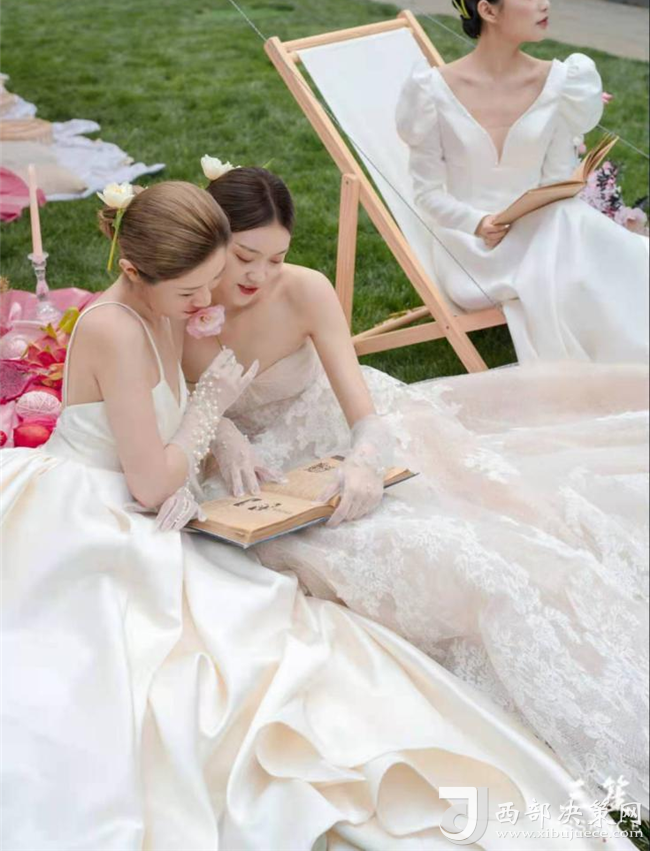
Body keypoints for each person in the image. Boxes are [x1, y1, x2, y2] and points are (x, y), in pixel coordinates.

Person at [3, 180, 626, 851]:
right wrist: (210, 411)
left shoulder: (164, 305)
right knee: (204, 657)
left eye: (220, 279)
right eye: (198, 288)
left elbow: (160, 434)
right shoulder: (119, 326)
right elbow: (153, 475)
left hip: (151, 482)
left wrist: (213, 427)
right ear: (135, 271)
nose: (207, 303)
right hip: (97, 505)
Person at [183, 164, 649, 808]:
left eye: (276, 257)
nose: (259, 274)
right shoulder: (178, 299)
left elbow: (364, 414)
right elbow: (162, 395)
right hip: (254, 472)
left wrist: (365, 462)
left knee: (499, 525)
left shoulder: (304, 291)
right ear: (210, 240)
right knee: (405, 559)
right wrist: (220, 430)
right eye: (244, 257)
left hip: (336, 435)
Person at [395, 0, 648, 364]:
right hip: (472, 250)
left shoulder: (561, 81)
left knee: (572, 223)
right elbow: (426, 195)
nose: (545, 3)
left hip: (542, 231)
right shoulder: (430, 92)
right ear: (488, 10)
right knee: (583, 239)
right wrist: (478, 223)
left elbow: (556, 182)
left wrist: (557, 192)